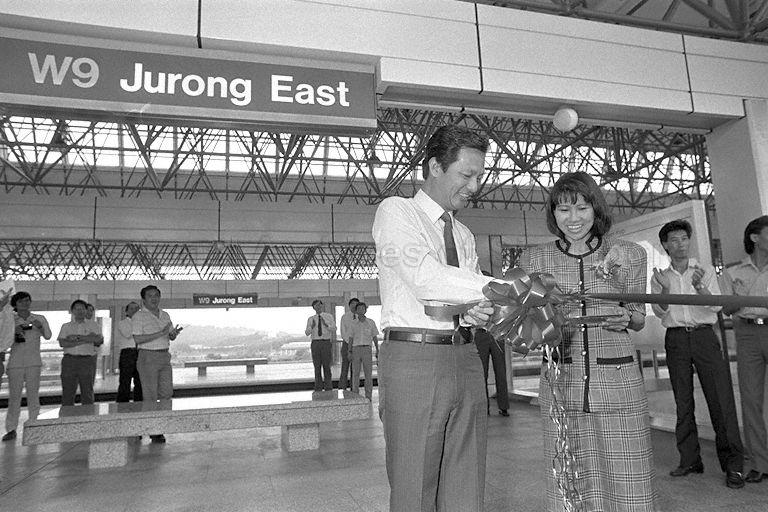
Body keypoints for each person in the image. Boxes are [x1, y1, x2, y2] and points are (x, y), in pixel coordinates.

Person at [372, 124, 495, 512]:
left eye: (479, 176)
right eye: (466, 175)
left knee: (467, 478)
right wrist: (502, 288)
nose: (474, 186)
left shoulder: (464, 235)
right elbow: (427, 279)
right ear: (435, 167)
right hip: (414, 359)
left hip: (465, 355)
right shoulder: (397, 211)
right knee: (415, 483)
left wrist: (479, 311)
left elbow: (468, 299)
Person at [519, 171, 655, 511]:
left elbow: (638, 316)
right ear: (553, 214)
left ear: (596, 208)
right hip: (561, 384)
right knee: (569, 476)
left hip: (617, 381)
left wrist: (628, 318)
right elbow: (526, 322)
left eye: (581, 208)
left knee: (629, 476)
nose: (573, 218)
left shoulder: (629, 253)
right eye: (563, 210)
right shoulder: (534, 260)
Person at [650, 219, 744, 488]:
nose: (681, 244)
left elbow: (715, 309)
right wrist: (665, 291)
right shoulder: (660, 276)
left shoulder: (704, 271)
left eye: (684, 238)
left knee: (720, 399)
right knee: (683, 400)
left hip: (704, 336)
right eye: (675, 240)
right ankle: (690, 459)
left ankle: (733, 466)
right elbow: (660, 312)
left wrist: (701, 287)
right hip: (676, 338)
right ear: (666, 245)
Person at [721, 215, 768, 483]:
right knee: (751, 400)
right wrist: (738, 300)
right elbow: (727, 309)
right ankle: (760, 464)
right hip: (747, 334)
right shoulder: (733, 272)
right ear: (755, 238)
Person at [132, 285, 181, 443]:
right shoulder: (138, 316)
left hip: (164, 356)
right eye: (150, 295)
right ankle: (152, 430)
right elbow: (138, 339)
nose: (154, 298)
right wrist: (160, 333)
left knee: (166, 393)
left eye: (157, 295)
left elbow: (170, 336)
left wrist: (173, 334)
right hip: (147, 356)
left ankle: (160, 425)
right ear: (144, 299)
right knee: (150, 396)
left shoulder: (165, 314)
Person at [2, 292, 51, 442]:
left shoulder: (39, 318)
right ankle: (11, 429)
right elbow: (3, 341)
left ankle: (34, 426)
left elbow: (48, 335)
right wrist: (13, 332)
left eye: (27, 300)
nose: (25, 303)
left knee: (33, 396)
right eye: (21, 301)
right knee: (14, 397)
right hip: (15, 362)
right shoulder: (10, 320)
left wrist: (40, 327)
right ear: (15, 304)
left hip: (33, 362)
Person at [57, 299, 103, 406]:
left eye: (82, 309)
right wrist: (86, 339)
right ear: (72, 311)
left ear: (86, 310)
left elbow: (98, 340)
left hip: (87, 360)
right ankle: (66, 418)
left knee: (87, 391)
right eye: (77, 309)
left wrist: (76, 337)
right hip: (69, 360)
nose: (80, 311)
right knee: (68, 391)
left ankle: (88, 418)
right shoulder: (66, 326)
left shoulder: (94, 325)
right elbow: (63, 343)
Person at [348, 301, 379, 400]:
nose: (361, 310)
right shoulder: (353, 323)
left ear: (365, 310)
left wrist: (377, 349)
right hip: (356, 349)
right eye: (359, 309)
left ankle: (368, 396)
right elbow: (350, 339)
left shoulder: (371, 322)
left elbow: (374, 337)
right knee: (355, 373)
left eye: (363, 308)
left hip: (367, 349)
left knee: (368, 374)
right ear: (356, 311)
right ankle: (355, 395)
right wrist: (349, 351)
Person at [305, 299, 335, 392]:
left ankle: (328, 387)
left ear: (322, 306)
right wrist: (312, 326)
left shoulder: (328, 316)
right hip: (315, 343)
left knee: (327, 365)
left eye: (319, 305)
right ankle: (318, 387)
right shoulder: (311, 319)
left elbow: (334, 328)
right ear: (313, 307)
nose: (318, 307)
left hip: (325, 342)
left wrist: (326, 325)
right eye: (316, 305)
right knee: (317, 366)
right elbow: (307, 333)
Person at [115, 301, 142, 403]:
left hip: (140, 352)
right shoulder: (122, 323)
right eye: (132, 309)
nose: (135, 311)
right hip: (128, 354)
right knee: (125, 381)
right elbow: (128, 334)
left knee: (139, 382)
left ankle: (139, 405)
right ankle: (122, 406)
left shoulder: (142, 323)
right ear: (126, 311)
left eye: (137, 309)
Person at [338, 297, 359, 390]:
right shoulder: (345, 317)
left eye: (356, 304)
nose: (354, 306)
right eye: (352, 304)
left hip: (358, 345)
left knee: (355, 369)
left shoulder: (361, 317)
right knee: (345, 367)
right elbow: (343, 332)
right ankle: (342, 389)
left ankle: (354, 389)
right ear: (349, 306)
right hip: (347, 344)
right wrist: (350, 343)